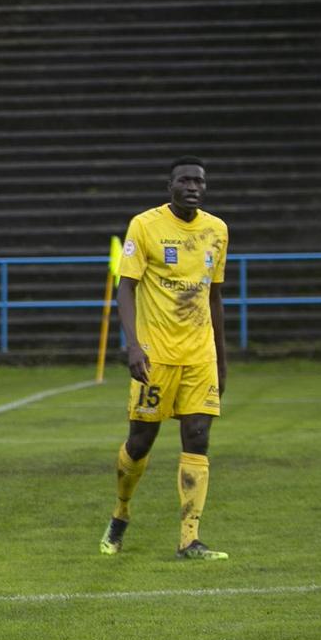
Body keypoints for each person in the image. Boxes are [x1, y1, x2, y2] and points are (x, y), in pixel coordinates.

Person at [102, 157, 230, 561]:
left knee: (198, 439)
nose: (193, 186)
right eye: (185, 180)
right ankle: (120, 512)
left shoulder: (217, 230)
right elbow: (125, 288)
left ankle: (189, 539)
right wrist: (134, 345)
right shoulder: (145, 225)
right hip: (156, 354)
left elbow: (214, 297)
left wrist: (222, 359)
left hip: (200, 354)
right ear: (170, 185)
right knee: (140, 443)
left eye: (199, 181)